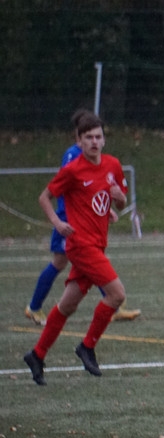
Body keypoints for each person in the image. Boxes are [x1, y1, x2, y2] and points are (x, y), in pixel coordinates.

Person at [23, 112, 130, 385]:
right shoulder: (72, 170)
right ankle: (87, 346)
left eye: (98, 136)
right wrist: (58, 222)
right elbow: (45, 197)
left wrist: (118, 201)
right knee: (117, 295)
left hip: (98, 244)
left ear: (104, 140)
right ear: (79, 141)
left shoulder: (113, 165)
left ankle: (37, 354)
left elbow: (114, 201)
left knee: (67, 305)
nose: (94, 142)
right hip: (81, 246)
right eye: (88, 137)